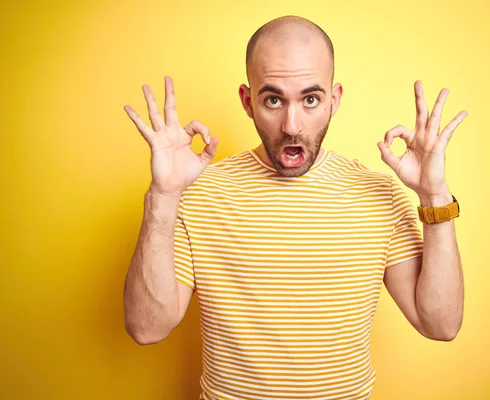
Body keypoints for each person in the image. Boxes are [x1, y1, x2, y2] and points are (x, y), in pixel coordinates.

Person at [123, 15, 466, 400]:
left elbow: (440, 325)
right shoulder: (199, 192)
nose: (292, 124)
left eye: (311, 99)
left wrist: (434, 197)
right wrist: (163, 196)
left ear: (334, 100)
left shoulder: (379, 195)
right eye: (273, 99)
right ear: (247, 101)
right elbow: (147, 329)